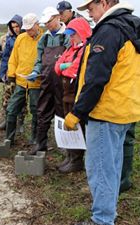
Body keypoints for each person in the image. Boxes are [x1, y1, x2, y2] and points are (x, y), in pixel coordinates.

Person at [64, 0, 140, 224]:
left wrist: (77, 112)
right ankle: (108, 213)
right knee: (113, 167)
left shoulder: (108, 31)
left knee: (100, 169)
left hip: (105, 112)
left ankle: (102, 220)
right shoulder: (132, 26)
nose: (90, 15)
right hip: (126, 110)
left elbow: (96, 79)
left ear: (105, 3)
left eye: (91, 9)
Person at [27, 7, 70, 155]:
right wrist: (35, 71)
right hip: (46, 81)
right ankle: (40, 144)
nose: (48, 25)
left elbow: (73, 59)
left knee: (62, 113)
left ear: (58, 17)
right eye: (45, 23)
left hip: (63, 83)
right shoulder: (44, 39)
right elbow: (39, 60)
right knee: (42, 111)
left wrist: (66, 67)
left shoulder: (67, 36)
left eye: (49, 21)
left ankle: (65, 145)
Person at [54, 18, 92, 173]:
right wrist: (63, 66)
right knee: (67, 123)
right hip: (66, 95)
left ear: (81, 33)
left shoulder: (85, 49)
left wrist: (64, 67)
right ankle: (70, 156)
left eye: (73, 34)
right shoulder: (71, 49)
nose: (70, 38)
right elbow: (56, 67)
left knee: (77, 126)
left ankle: (77, 160)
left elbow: (74, 71)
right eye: (69, 35)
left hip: (76, 95)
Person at [5, 13, 42, 145]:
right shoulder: (20, 38)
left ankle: (35, 140)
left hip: (36, 83)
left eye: (30, 29)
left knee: (36, 111)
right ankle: (9, 139)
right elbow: (13, 58)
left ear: (37, 25)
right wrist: (11, 73)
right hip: (20, 81)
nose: (28, 32)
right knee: (11, 109)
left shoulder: (44, 38)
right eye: (26, 29)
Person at [0, 14, 26, 131]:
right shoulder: (9, 40)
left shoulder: (26, 38)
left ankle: (20, 122)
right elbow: (5, 58)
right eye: (13, 26)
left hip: (23, 74)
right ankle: (7, 120)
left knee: (22, 100)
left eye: (17, 26)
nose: (15, 29)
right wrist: (2, 74)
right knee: (7, 97)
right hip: (10, 73)